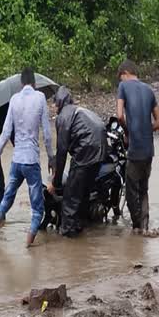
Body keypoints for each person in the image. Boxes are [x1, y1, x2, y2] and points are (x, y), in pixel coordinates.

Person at [0, 67, 54, 246]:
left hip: (17, 161)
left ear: (22, 83)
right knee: (38, 209)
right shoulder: (40, 98)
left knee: (7, 199)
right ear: (34, 83)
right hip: (31, 161)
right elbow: (46, 133)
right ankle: (28, 246)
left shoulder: (14, 99)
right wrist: (51, 157)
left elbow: (6, 134)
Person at [47, 86, 107, 237]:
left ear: (59, 103)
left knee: (71, 197)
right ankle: (80, 225)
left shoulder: (63, 116)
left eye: (54, 104)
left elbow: (62, 152)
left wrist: (56, 183)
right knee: (84, 192)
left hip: (86, 152)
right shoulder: (79, 110)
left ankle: (68, 234)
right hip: (100, 152)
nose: (54, 108)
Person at [116, 60, 159, 233]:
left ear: (125, 74)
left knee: (130, 192)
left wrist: (128, 133)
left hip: (135, 149)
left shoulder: (123, 87)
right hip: (149, 150)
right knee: (144, 190)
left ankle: (137, 227)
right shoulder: (149, 90)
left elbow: (120, 116)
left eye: (121, 78)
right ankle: (145, 225)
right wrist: (146, 128)